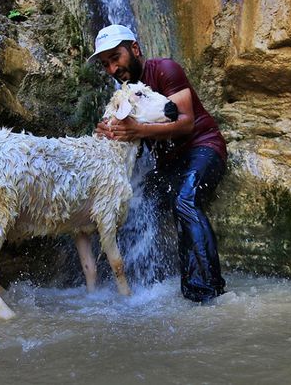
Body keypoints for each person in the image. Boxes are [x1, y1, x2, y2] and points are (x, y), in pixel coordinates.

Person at [89, 24, 227, 303]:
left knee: (185, 200)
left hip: (203, 148)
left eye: (116, 58)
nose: (113, 69)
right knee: (135, 205)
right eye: (106, 64)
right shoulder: (126, 93)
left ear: (135, 49)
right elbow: (128, 142)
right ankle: (135, 288)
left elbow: (186, 123)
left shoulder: (166, 69)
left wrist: (137, 130)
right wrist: (109, 132)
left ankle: (209, 291)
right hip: (169, 164)